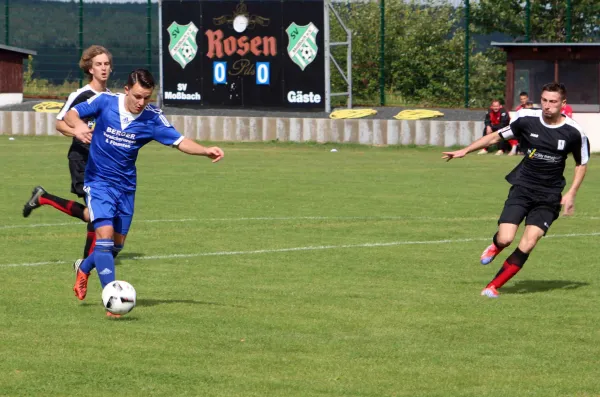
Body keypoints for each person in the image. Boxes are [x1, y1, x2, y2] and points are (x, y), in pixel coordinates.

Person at [63, 68, 224, 317]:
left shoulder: (151, 118)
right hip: (98, 182)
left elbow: (180, 141)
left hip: (126, 187)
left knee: (116, 246)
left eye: (146, 97)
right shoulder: (105, 102)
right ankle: (112, 301)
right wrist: (79, 127)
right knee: (103, 239)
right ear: (127, 90)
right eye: (137, 96)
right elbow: (73, 113)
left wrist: (205, 151)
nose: (141, 102)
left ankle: (84, 267)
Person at [442, 82, 589, 298]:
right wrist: (466, 150)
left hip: (549, 196)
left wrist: (572, 193)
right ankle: (496, 245)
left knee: (528, 243)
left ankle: (492, 286)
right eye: (544, 101)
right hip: (523, 188)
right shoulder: (527, 120)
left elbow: (581, 163)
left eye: (553, 102)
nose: (547, 106)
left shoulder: (574, 132)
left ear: (563, 104)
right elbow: (495, 137)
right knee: (506, 238)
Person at [22, 45, 113, 270]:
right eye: (98, 64)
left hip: (103, 163)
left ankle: (43, 198)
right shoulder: (82, 95)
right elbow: (60, 123)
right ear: (90, 69)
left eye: (106, 64)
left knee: (95, 214)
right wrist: (78, 132)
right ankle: (85, 265)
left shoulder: (112, 98)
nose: (103, 68)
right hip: (81, 159)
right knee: (95, 214)